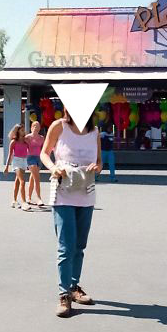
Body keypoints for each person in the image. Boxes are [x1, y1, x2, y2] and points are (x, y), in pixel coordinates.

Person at [39, 109, 102, 318]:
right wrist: (53, 168)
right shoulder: (59, 126)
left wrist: (96, 167)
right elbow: (44, 153)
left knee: (80, 245)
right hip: (63, 193)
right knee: (66, 246)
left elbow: (99, 162)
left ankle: (74, 286)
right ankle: (64, 294)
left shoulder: (94, 131)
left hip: (86, 193)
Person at [3, 124, 31, 210]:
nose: (24, 131)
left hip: (24, 161)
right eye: (22, 130)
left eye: (24, 130)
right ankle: (24, 202)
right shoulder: (13, 142)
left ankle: (14, 201)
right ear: (18, 131)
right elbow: (10, 154)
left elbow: (30, 151)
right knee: (22, 181)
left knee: (18, 181)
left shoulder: (26, 141)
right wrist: (6, 167)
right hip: (17, 161)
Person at [26, 121, 46, 206]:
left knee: (32, 178)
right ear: (31, 127)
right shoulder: (27, 137)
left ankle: (28, 197)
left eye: (38, 126)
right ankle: (39, 198)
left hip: (38, 158)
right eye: (34, 126)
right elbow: (21, 145)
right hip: (30, 158)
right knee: (37, 178)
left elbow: (44, 148)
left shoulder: (41, 138)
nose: (36, 128)